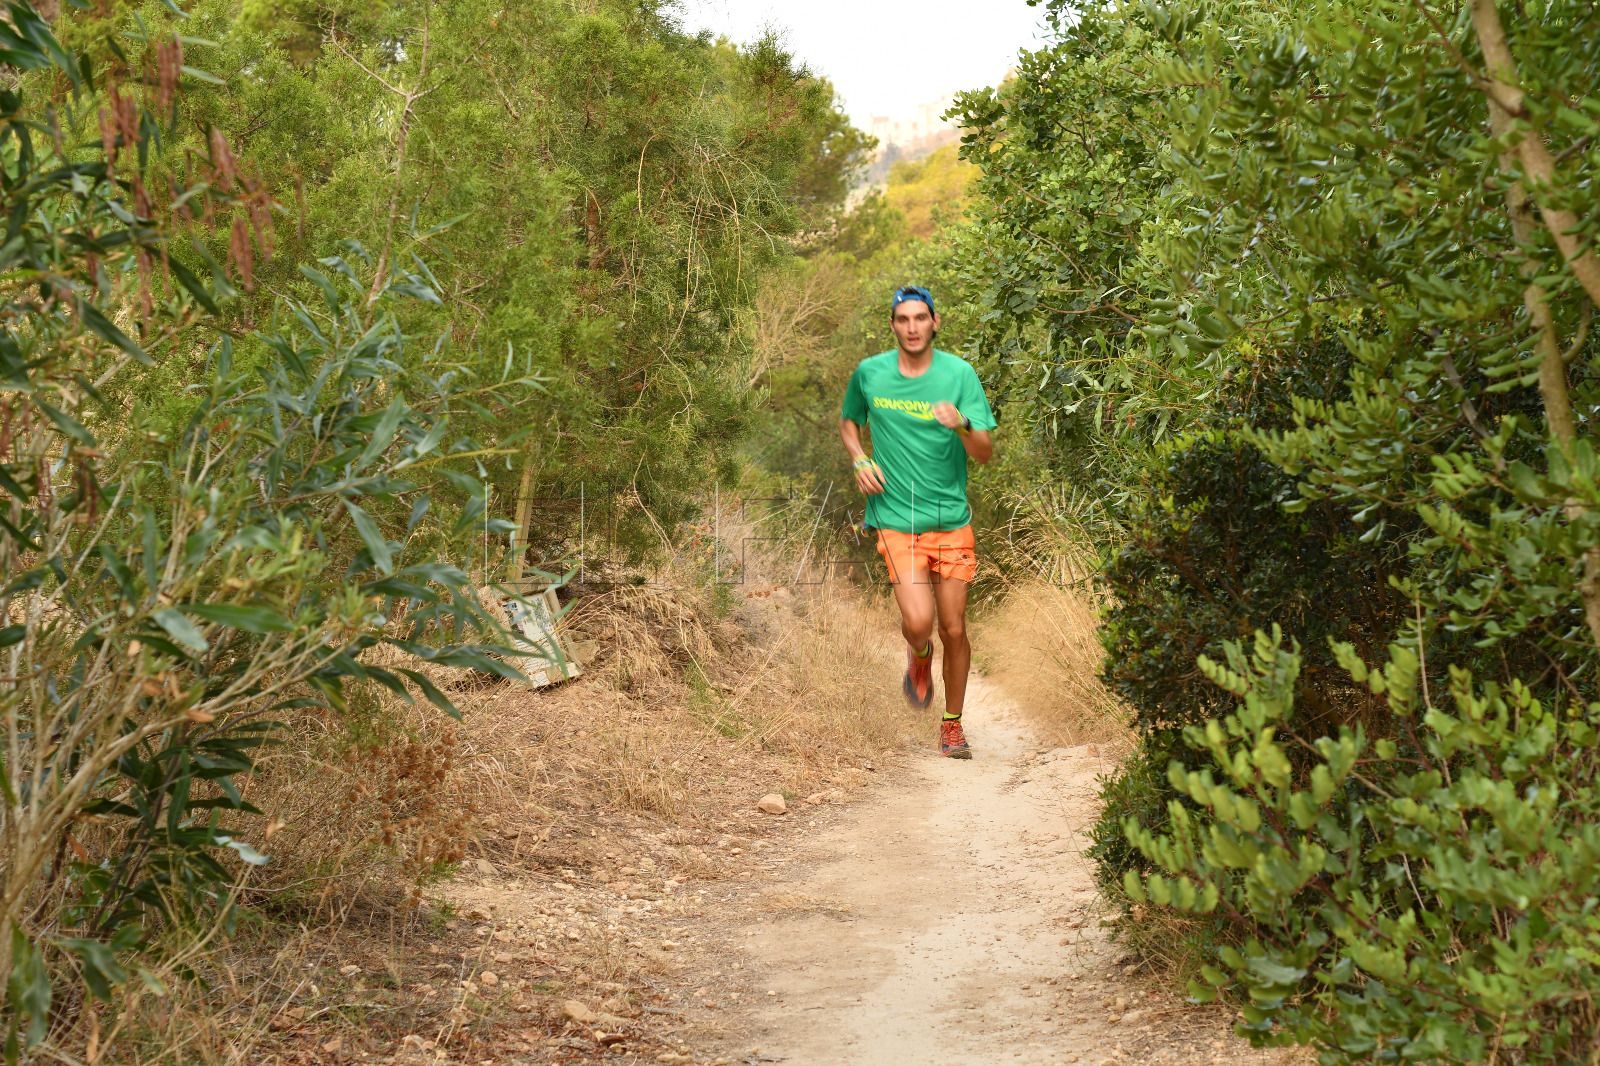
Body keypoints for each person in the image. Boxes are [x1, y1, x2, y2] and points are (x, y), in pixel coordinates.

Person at [839, 285, 996, 759]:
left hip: (950, 520)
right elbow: (849, 421)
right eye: (903, 319)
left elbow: (985, 452)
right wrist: (859, 459)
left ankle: (952, 726)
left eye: (920, 318)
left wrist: (963, 424)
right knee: (920, 621)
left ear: (935, 322)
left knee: (954, 626)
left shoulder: (960, 375)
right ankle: (919, 656)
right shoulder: (870, 374)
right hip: (896, 516)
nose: (912, 327)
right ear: (893, 325)